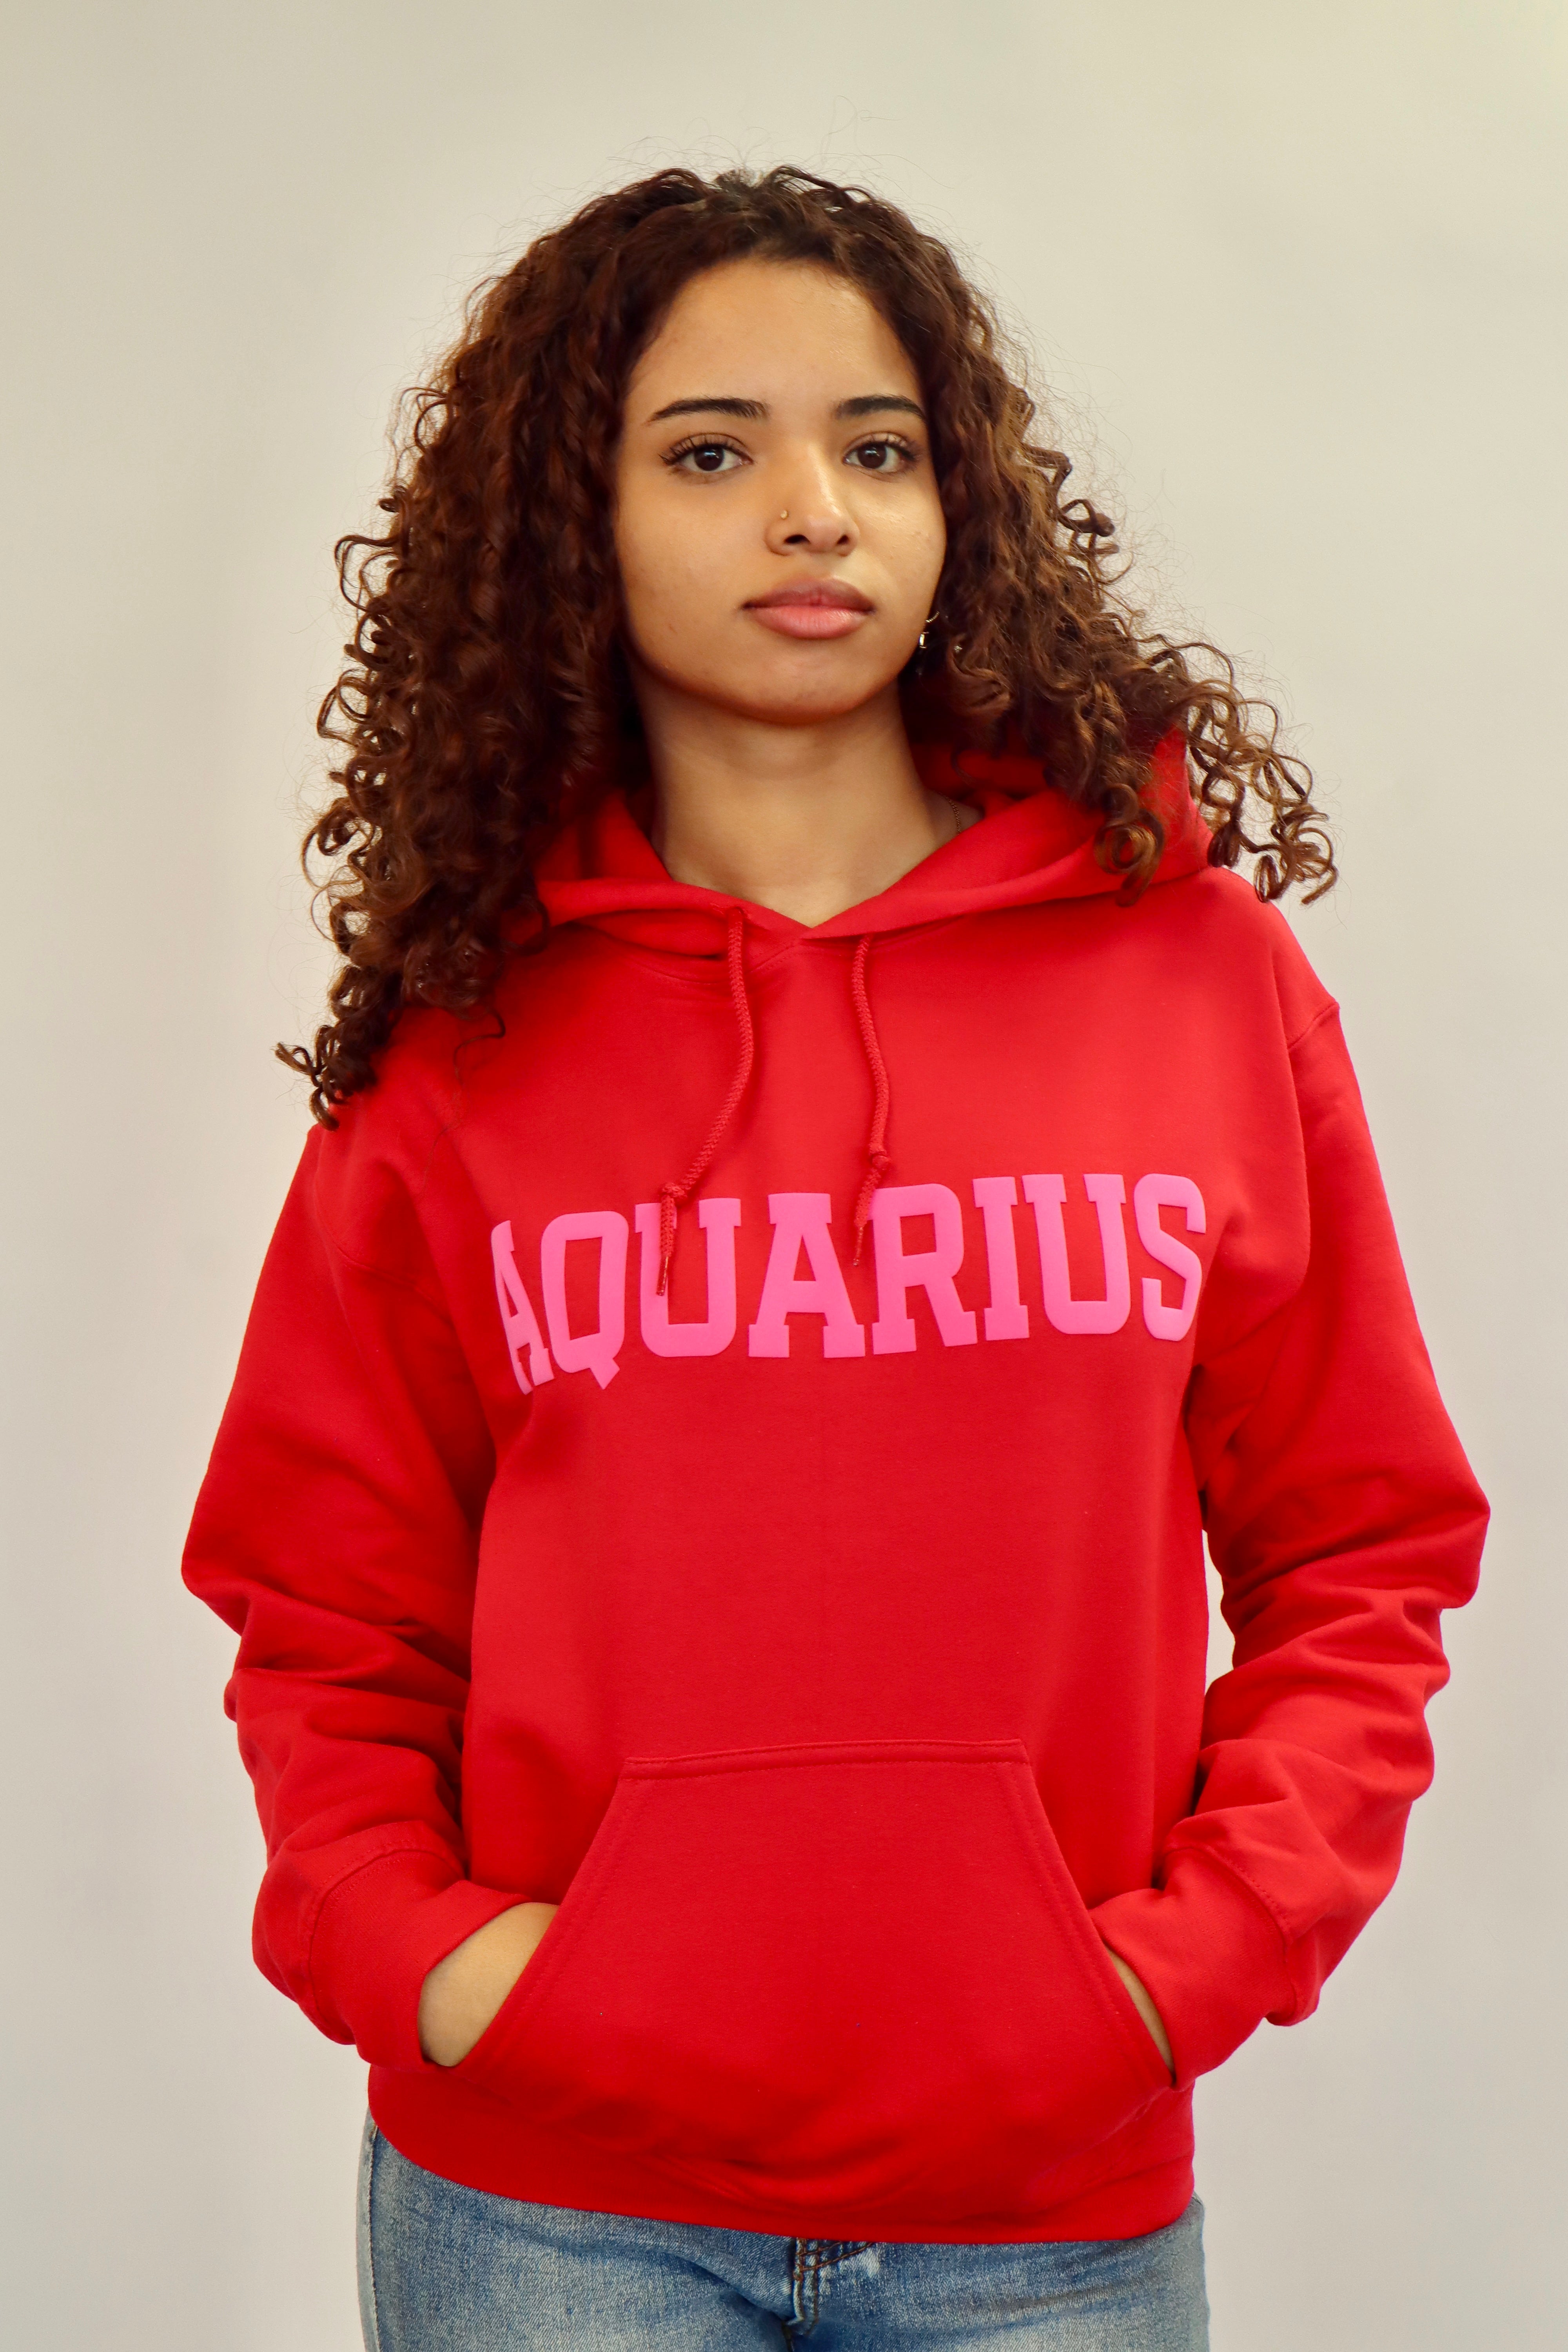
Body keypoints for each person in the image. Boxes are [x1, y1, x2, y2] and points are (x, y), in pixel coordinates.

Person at [183, 165, 1487, 2350]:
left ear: (957, 502)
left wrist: (1182, 1971)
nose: (815, 512)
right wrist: (437, 1962)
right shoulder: (467, 1040)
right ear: (574, 527)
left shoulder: (1197, 984)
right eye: (713, 454)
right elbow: (324, 1602)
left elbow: (1364, 1546)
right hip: (551, 2217)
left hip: (1049, 2202)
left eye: (878, 449)